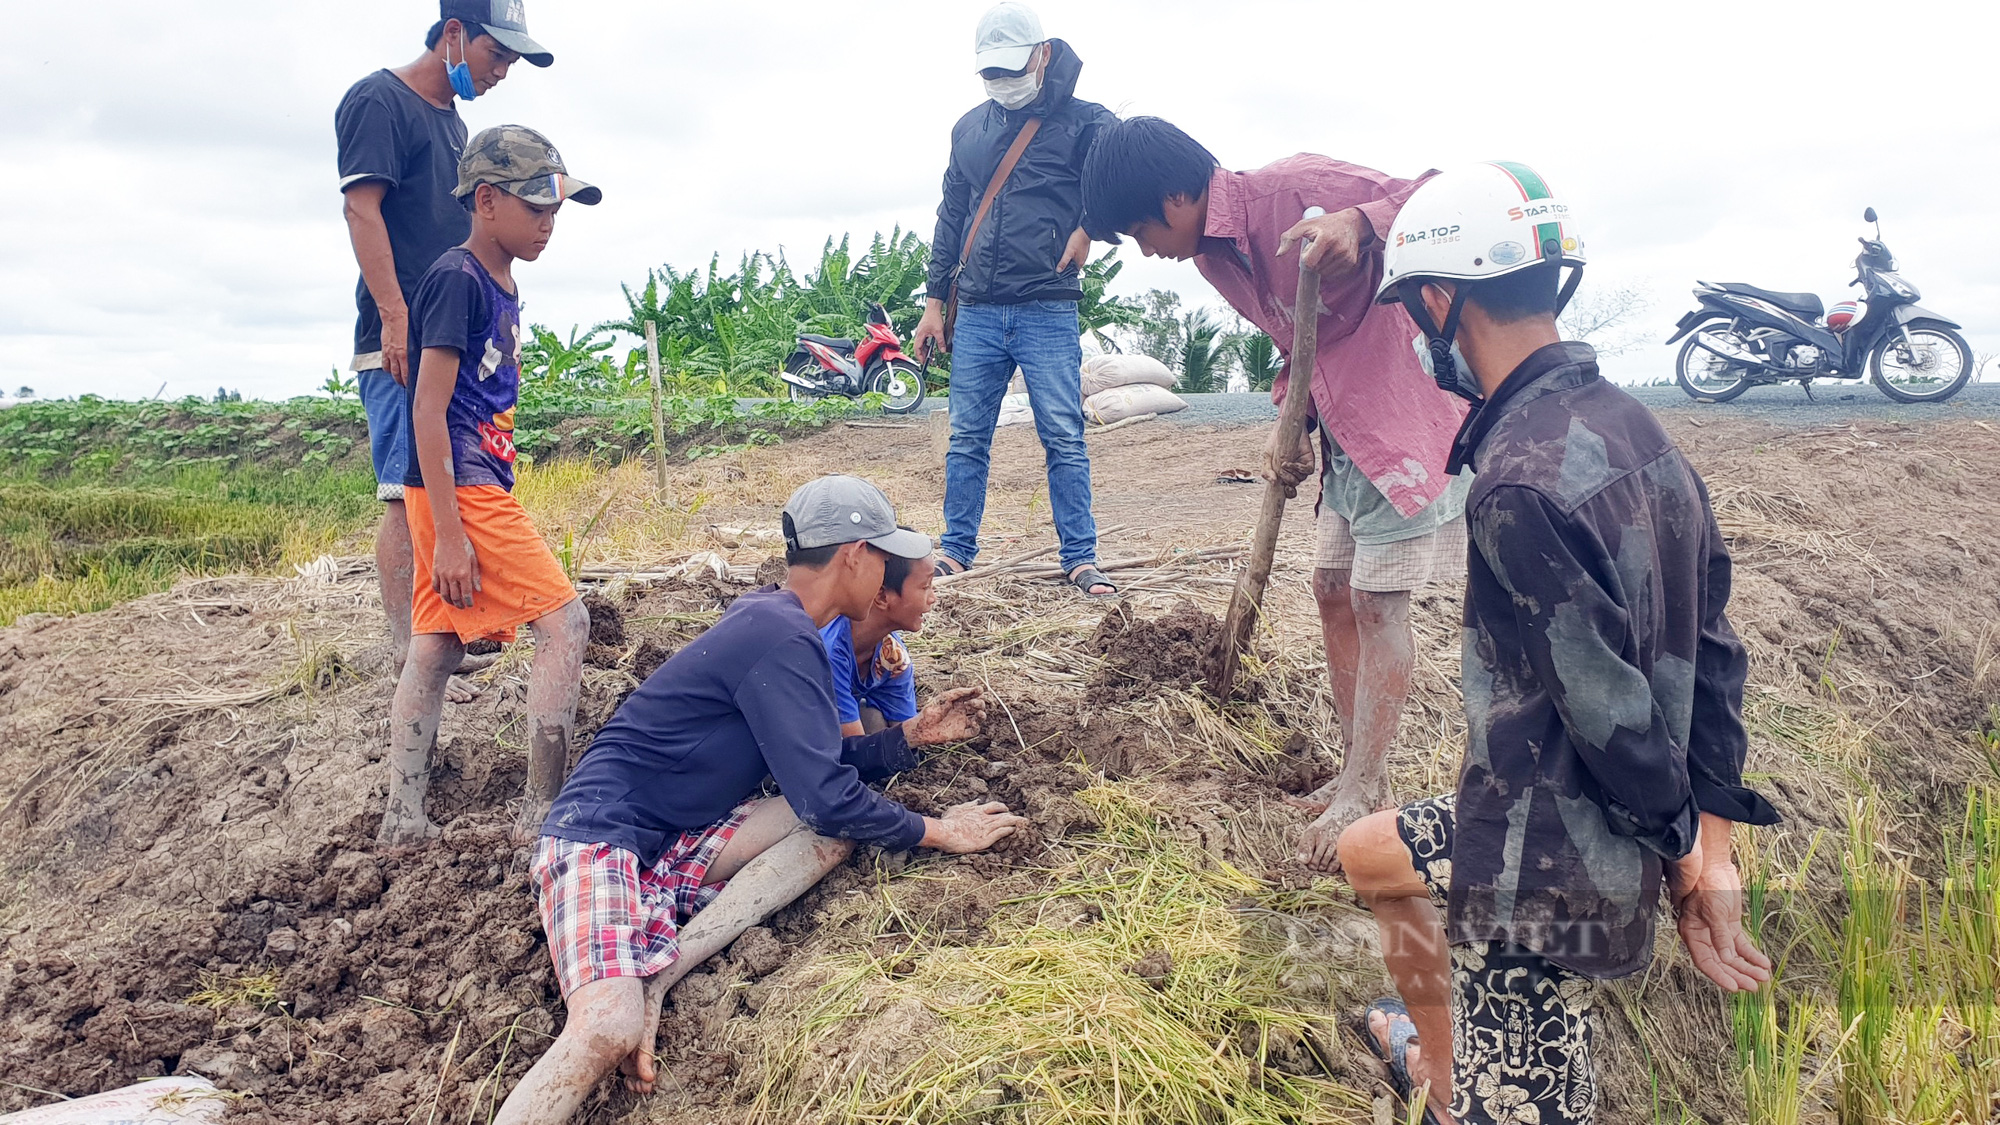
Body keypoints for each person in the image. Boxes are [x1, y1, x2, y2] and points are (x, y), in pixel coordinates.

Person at [1333, 163, 1780, 1124]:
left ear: (1443, 299)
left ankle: (1476, 1095)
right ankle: (1444, 1072)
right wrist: (1712, 844)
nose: (1419, 333)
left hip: (1547, 869)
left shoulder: (1518, 483)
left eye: (1414, 308)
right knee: (1371, 854)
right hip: (1552, 811)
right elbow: (1716, 654)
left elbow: (1615, 718)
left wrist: (1686, 864)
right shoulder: (1637, 428)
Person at [494, 475, 1026, 1124]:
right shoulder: (781, 633)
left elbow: (821, 775)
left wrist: (909, 738)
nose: (888, 575)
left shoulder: (782, 624)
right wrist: (939, 830)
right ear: (854, 554)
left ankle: (666, 968)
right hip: (599, 835)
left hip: (674, 836)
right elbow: (828, 793)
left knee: (833, 829)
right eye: (884, 557)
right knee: (607, 1026)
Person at [1079, 118, 1469, 870]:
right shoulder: (1214, 264)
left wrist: (1359, 223)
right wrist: (1285, 419)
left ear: (1177, 195)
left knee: (1379, 602)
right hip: (1343, 433)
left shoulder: (1297, 189)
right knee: (1330, 588)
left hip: (1402, 410)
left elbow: (1438, 196)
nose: (1145, 250)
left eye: (1138, 230)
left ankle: (1364, 785)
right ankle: (1361, 768)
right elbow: (1300, 338)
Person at [377, 125, 601, 848]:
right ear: (485, 200)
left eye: (555, 211)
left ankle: (402, 818)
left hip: (462, 484)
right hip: (460, 488)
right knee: (565, 624)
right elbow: (427, 407)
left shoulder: (500, 280)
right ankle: (545, 810)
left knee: (438, 644)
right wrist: (447, 532)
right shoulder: (456, 278)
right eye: (535, 206)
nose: (547, 224)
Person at [336, 0, 553, 700]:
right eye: (496, 55)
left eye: (510, 63)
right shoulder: (380, 101)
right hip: (406, 335)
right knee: (408, 490)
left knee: (448, 482)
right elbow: (362, 209)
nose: (500, 73)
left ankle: (444, 637)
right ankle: (412, 650)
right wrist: (397, 317)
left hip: (450, 335)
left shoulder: (454, 126)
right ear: (454, 35)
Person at [910, 2, 1119, 599]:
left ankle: (1080, 559)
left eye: (1012, 67)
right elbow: (952, 215)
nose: (1001, 81)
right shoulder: (968, 129)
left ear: (1043, 55)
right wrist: (933, 300)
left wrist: (1090, 225)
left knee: (1063, 434)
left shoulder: (1087, 123)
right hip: (974, 308)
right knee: (967, 437)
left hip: (1047, 307)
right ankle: (956, 551)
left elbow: (1121, 180)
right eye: (990, 72)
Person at [821, 544, 936, 736]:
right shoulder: (830, 650)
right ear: (882, 596)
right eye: (925, 586)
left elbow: (906, 734)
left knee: (873, 721)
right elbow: (854, 746)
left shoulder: (892, 659)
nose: (933, 598)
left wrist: (931, 730)